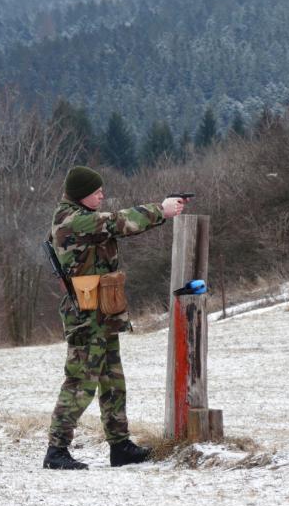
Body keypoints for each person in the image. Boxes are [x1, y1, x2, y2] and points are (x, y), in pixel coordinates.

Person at [43, 166, 186, 470]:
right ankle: (56, 450)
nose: (102, 196)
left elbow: (114, 225)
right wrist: (161, 210)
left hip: (101, 312)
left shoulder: (79, 215)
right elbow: (118, 222)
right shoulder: (74, 220)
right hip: (86, 316)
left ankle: (120, 447)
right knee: (81, 381)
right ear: (82, 193)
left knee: (112, 381)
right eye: (97, 192)